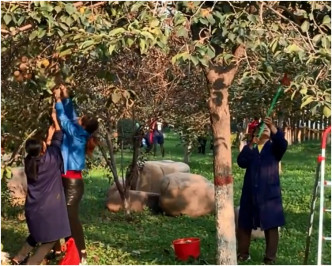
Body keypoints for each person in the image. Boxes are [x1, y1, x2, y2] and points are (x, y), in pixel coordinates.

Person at [12, 108, 71, 265]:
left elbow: (49, 146)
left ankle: (18, 257)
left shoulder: (29, 161)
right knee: (49, 240)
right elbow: (59, 136)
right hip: (49, 209)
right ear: (43, 149)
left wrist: (48, 137)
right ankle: (32, 262)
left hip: (33, 208)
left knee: (36, 234)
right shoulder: (51, 160)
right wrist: (55, 118)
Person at [53, 85, 99, 264]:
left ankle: (81, 255)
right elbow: (71, 116)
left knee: (71, 219)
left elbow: (65, 120)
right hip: (66, 180)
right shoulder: (79, 131)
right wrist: (66, 96)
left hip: (73, 184)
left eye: (82, 118)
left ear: (84, 125)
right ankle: (62, 251)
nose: (78, 117)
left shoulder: (77, 134)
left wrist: (58, 101)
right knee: (61, 216)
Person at [236, 117, 288, 264]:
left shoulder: (274, 149)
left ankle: (270, 258)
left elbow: (282, 144)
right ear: (254, 134)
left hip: (269, 194)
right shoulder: (251, 148)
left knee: (271, 226)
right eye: (261, 128)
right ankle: (243, 254)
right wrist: (250, 144)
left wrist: (273, 126)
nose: (264, 129)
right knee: (245, 224)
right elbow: (241, 162)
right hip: (250, 193)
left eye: (267, 128)